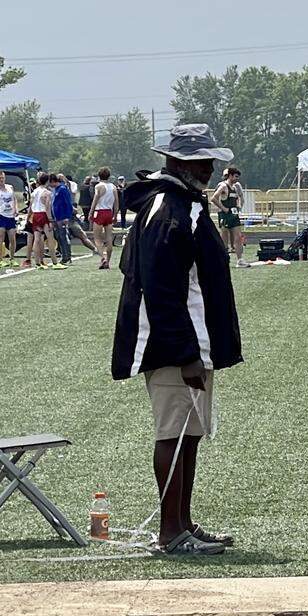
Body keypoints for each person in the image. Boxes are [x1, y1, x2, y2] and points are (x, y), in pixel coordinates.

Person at [111, 124, 241, 555]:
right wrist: (184, 352)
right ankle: (170, 532)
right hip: (172, 345)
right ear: (181, 163)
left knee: (190, 434)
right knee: (173, 433)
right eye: (203, 161)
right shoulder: (169, 209)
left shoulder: (181, 204)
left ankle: (183, 523)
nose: (209, 168)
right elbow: (161, 288)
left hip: (192, 342)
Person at [209, 167, 248, 267]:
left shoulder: (235, 187)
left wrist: (238, 206)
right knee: (224, 240)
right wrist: (223, 208)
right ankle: (222, 259)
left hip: (234, 215)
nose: (237, 179)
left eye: (238, 177)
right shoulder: (223, 186)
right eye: (235, 177)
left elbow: (239, 198)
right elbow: (213, 198)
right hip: (225, 216)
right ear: (230, 176)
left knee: (238, 237)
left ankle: (240, 260)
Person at [29, 173, 64, 270]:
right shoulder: (47, 193)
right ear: (47, 181)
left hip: (35, 215)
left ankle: (37, 263)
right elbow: (48, 207)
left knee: (36, 239)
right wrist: (50, 220)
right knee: (50, 239)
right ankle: (55, 262)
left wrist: (29, 217)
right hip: (43, 215)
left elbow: (31, 206)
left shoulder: (34, 192)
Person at [89, 167, 119, 269]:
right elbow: (116, 202)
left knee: (97, 237)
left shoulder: (98, 186)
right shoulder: (113, 187)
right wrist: (115, 214)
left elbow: (95, 200)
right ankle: (108, 261)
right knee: (109, 238)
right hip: (109, 212)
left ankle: (103, 257)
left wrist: (91, 212)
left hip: (99, 212)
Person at [0, 172, 16, 267]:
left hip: (11, 216)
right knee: (1, 238)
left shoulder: (10, 187)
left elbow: (14, 199)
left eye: (2, 177)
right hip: (1, 215)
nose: (1, 179)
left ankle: (12, 259)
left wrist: (16, 209)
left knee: (12, 239)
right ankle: (1, 259)